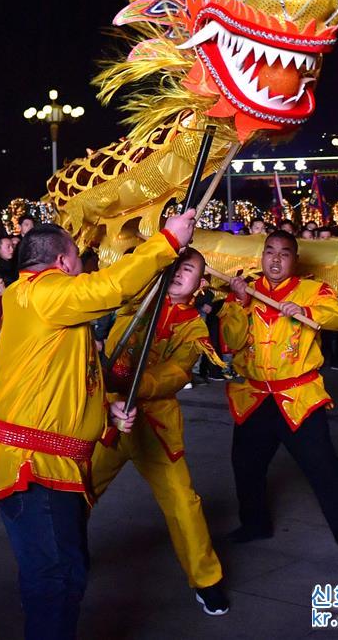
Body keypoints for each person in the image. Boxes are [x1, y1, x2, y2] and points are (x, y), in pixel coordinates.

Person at [0, 209, 197, 640]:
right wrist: (167, 242)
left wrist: (106, 411)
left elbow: (66, 379)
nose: (83, 268)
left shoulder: (41, 304)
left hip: (51, 464)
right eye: (78, 259)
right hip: (37, 466)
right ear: (62, 264)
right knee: (57, 581)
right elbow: (112, 287)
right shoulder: (43, 293)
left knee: (57, 574)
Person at [91, 249, 229, 616]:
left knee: (184, 503)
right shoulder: (140, 298)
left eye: (190, 271)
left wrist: (138, 383)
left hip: (155, 425)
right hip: (110, 416)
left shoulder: (194, 327)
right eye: (177, 266)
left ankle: (207, 580)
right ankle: (64, 556)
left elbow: (179, 372)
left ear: (200, 284)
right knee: (79, 488)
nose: (181, 273)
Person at [219, 230, 338, 562]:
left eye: (284, 253)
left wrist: (305, 311)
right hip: (255, 396)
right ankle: (255, 524)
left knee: (324, 468)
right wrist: (240, 305)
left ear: (295, 259)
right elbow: (230, 338)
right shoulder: (244, 291)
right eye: (269, 251)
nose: (275, 259)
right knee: (246, 466)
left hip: (298, 397)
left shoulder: (313, 291)